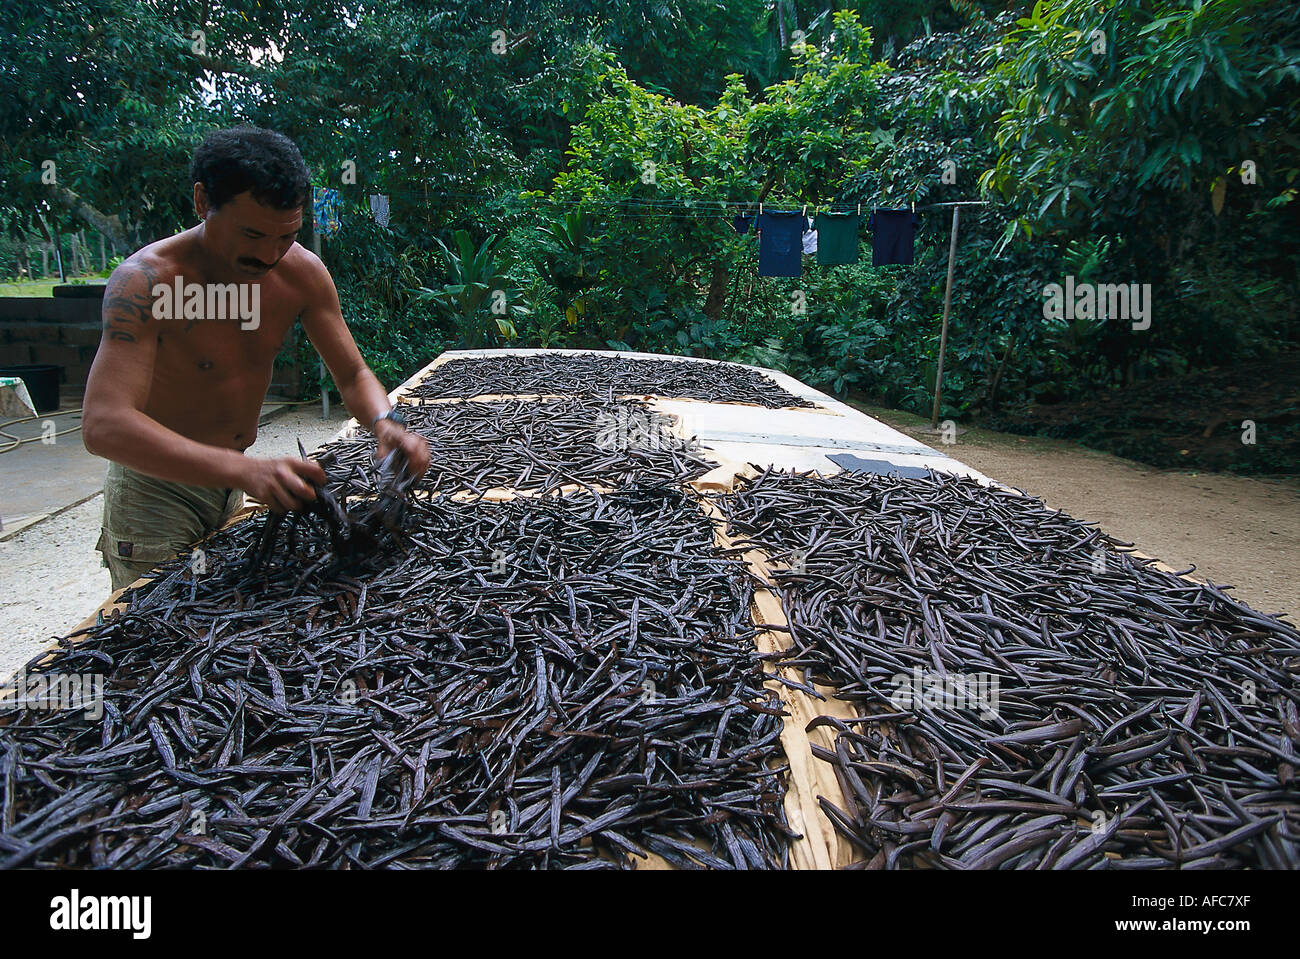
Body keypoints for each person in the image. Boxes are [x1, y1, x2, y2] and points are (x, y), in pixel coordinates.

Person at [82, 125, 432, 590]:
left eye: (285, 235)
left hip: (230, 480)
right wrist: (246, 470)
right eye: (252, 234)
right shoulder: (148, 282)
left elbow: (352, 373)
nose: (269, 254)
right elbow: (104, 424)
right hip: (155, 490)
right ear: (203, 201)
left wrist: (386, 422)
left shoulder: (300, 273)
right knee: (161, 636)